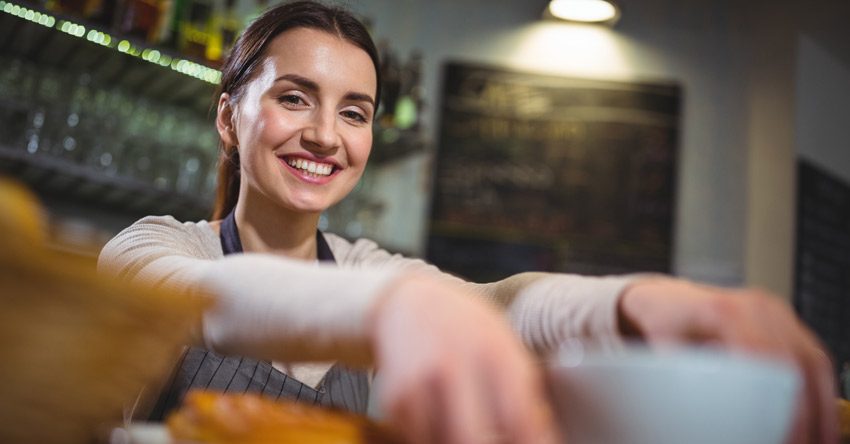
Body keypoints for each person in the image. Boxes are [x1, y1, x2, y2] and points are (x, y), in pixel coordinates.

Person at [98, 1, 838, 443]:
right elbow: (212, 301)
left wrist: (634, 301)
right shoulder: (155, 248)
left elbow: (503, 303)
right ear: (229, 116)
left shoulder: (363, 270)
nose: (327, 135)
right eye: (296, 98)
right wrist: (399, 310)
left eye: (353, 112)